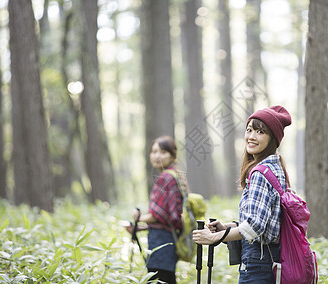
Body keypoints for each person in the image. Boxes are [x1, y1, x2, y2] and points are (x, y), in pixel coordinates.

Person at [192, 105, 292, 283]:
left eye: (260, 132)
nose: (252, 136)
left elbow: (255, 227)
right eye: (249, 130)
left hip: (258, 263)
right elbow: (265, 220)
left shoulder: (261, 173)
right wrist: (228, 227)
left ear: (272, 139)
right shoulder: (275, 169)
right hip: (270, 259)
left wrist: (213, 237)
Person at [125, 136, 183, 284]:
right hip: (169, 240)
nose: (157, 156)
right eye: (154, 151)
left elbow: (158, 215)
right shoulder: (175, 176)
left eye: (163, 152)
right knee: (166, 279)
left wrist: (139, 217)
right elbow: (165, 220)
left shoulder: (166, 178)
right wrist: (139, 228)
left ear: (172, 154)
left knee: (160, 279)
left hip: (161, 244)